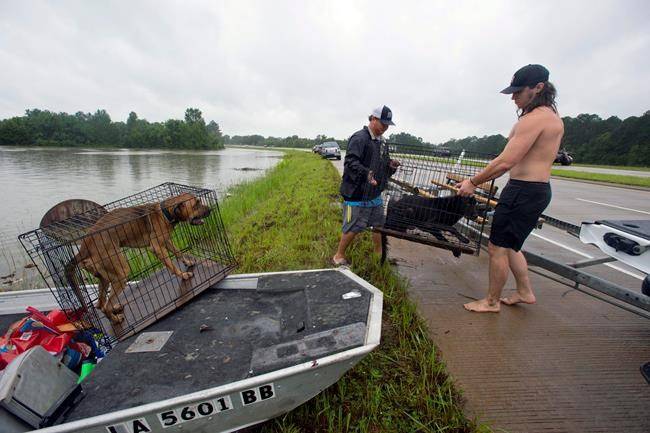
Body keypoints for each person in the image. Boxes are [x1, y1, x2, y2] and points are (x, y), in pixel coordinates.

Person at [457, 64, 564, 313]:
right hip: (534, 190)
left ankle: (491, 302)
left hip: (523, 191)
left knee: (497, 248)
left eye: (518, 91)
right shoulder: (551, 118)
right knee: (511, 245)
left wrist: (472, 182)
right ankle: (525, 292)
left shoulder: (535, 119)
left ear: (538, 88)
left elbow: (506, 161)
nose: (513, 97)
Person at [332, 106, 400, 266]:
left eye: (388, 125)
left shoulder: (382, 143)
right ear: (373, 119)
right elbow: (350, 162)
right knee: (353, 226)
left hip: (374, 194)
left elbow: (384, 167)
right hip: (355, 193)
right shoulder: (359, 138)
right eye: (383, 123)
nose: (385, 128)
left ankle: (379, 255)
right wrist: (366, 173)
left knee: (378, 224)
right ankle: (338, 256)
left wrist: (391, 167)